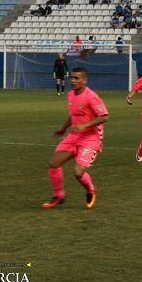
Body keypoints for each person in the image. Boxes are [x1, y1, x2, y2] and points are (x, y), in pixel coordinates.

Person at [42, 68, 108, 210]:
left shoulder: (91, 96)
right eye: (72, 77)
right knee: (54, 163)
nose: (73, 80)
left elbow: (104, 116)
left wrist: (84, 125)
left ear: (84, 80)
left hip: (91, 138)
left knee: (78, 172)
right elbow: (74, 115)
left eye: (77, 78)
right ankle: (59, 195)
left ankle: (90, 189)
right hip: (74, 136)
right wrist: (63, 128)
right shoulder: (71, 94)